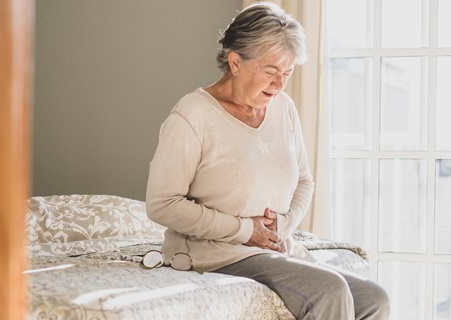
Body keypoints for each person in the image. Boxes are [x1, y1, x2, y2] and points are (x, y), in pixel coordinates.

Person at [145, 2, 390, 319]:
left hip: (273, 246)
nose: (280, 84)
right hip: (217, 251)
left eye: (287, 73)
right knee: (329, 290)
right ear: (235, 62)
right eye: (271, 71)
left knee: (374, 298)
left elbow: (304, 181)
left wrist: (284, 225)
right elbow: (163, 203)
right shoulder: (193, 114)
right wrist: (246, 231)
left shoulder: (283, 107)